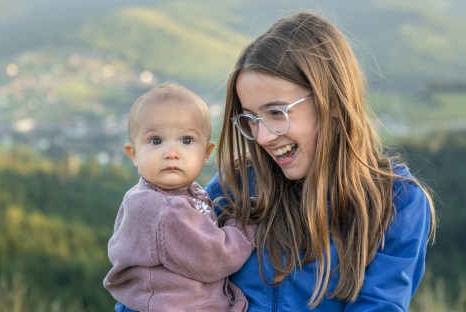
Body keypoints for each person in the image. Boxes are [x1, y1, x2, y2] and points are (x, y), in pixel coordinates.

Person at [204, 11, 437, 311]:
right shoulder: (235, 185)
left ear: (333, 102)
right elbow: (163, 278)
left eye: (276, 112)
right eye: (250, 118)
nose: (261, 138)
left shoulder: (397, 203)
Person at [104, 82, 257, 312]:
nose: (172, 153)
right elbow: (216, 258)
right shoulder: (165, 210)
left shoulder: (156, 196)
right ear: (133, 153)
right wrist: (246, 224)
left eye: (186, 140)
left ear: (206, 153)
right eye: (156, 141)